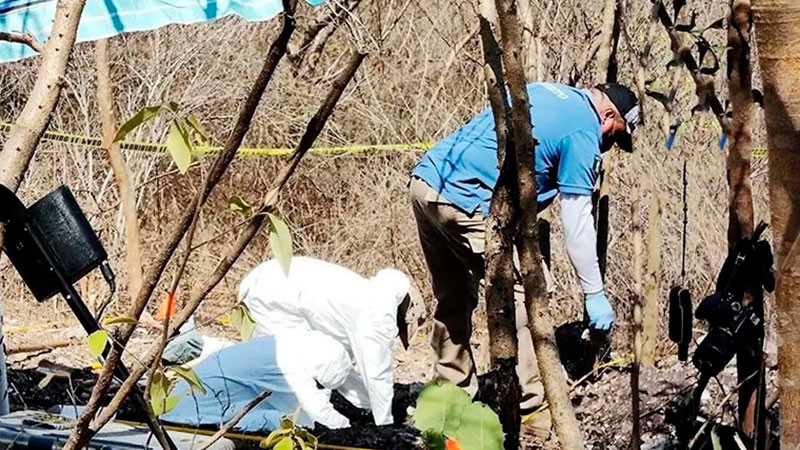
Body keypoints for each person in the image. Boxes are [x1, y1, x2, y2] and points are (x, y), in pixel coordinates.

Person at [408, 82, 640, 434]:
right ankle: (534, 411)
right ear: (608, 115)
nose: (609, 144)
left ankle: (449, 402)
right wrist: (594, 291)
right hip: (466, 198)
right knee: (527, 292)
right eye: (615, 134)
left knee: (453, 296)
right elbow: (577, 220)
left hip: (427, 183)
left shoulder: (552, 91)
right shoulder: (583, 131)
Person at [238, 256, 421, 427]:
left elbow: (343, 364)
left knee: (315, 361)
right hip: (272, 293)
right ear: (404, 313)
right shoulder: (378, 315)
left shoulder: (368, 296)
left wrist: (368, 404)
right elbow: (377, 374)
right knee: (287, 369)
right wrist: (385, 423)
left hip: (270, 281)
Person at [162, 331, 355, 431]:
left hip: (184, 404)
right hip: (192, 416)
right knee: (283, 422)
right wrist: (347, 428)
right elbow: (314, 412)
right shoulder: (288, 365)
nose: (317, 386)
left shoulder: (284, 345)